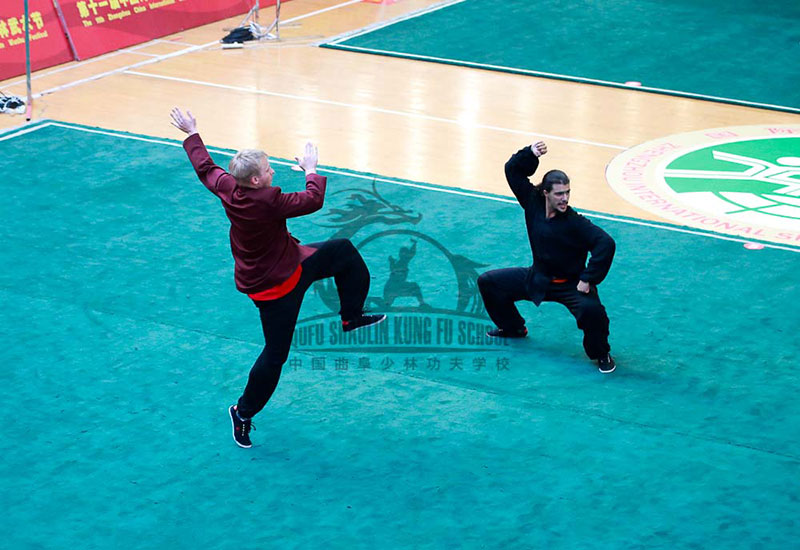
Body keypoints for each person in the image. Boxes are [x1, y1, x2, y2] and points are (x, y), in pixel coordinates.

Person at [170, 108, 385, 447]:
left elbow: (206, 168)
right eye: (268, 169)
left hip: (290, 263)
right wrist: (311, 170)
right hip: (276, 288)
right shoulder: (269, 201)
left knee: (343, 251)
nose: (272, 171)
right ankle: (242, 412)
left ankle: (351, 316)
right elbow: (313, 199)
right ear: (256, 180)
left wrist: (192, 133)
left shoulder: (229, 188)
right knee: (275, 355)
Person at [477, 141, 617, 373]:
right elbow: (513, 170)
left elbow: (606, 243)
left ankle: (601, 353)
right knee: (489, 282)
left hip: (571, 285)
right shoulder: (532, 202)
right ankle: (513, 328)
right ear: (545, 193)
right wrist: (530, 154)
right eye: (560, 194)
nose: (565, 199)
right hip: (538, 277)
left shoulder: (575, 222)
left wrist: (589, 278)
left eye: (568, 193)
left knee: (593, 313)